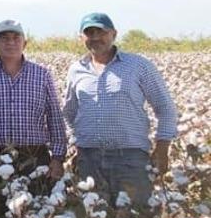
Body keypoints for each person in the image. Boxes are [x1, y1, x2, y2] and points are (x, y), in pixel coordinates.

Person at [62, 12, 178, 207]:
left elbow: (165, 107)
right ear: (81, 37)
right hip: (89, 159)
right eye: (89, 33)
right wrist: (77, 143)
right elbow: (69, 112)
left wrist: (162, 147)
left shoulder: (138, 65)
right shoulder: (76, 70)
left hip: (131, 159)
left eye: (102, 32)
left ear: (114, 34)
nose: (96, 38)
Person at [0, 20, 67, 185]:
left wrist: (57, 159)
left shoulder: (42, 75)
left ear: (25, 43)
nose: (10, 42)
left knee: (35, 207)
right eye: (4, 38)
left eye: (16, 38)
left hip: (34, 156)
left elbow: (54, 118)